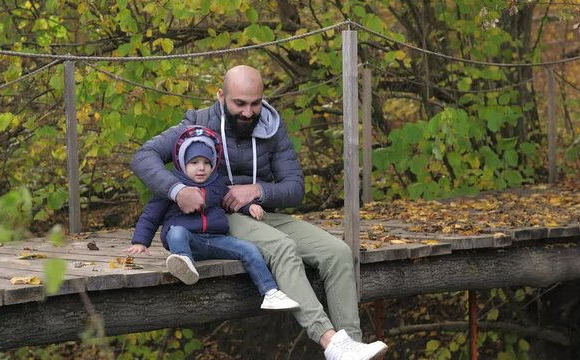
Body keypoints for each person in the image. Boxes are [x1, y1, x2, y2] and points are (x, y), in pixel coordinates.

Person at [131, 65, 388, 360]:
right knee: (282, 247)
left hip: (260, 213)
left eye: (255, 103)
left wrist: (258, 190)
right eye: (239, 103)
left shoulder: (272, 127)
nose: (249, 112)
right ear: (220, 96)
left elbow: (295, 187)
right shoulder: (197, 122)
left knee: (337, 252)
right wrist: (178, 191)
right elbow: (143, 157)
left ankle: (350, 346)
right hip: (216, 218)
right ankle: (329, 341)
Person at [124, 125, 300, 311]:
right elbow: (151, 215)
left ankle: (270, 292)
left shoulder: (216, 183)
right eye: (194, 163)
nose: (201, 168)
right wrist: (141, 241)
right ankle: (183, 262)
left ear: (213, 164)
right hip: (188, 241)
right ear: (183, 163)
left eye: (206, 163)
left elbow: (230, 201)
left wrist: (250, 206)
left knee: (249, 249)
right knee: (176, 232)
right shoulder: (174, 189)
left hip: (215, 240)